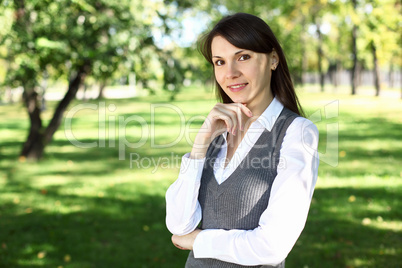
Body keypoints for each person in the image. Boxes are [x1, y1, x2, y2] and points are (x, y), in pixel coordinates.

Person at [165, 13, 319, 268]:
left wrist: (197, 241)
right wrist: (200, 145)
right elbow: (179, 224)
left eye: (243, 57)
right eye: (219, 62)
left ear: (273, 59)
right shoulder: (217, 132)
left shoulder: (297, 132)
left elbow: (272, 246)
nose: (230, 73)